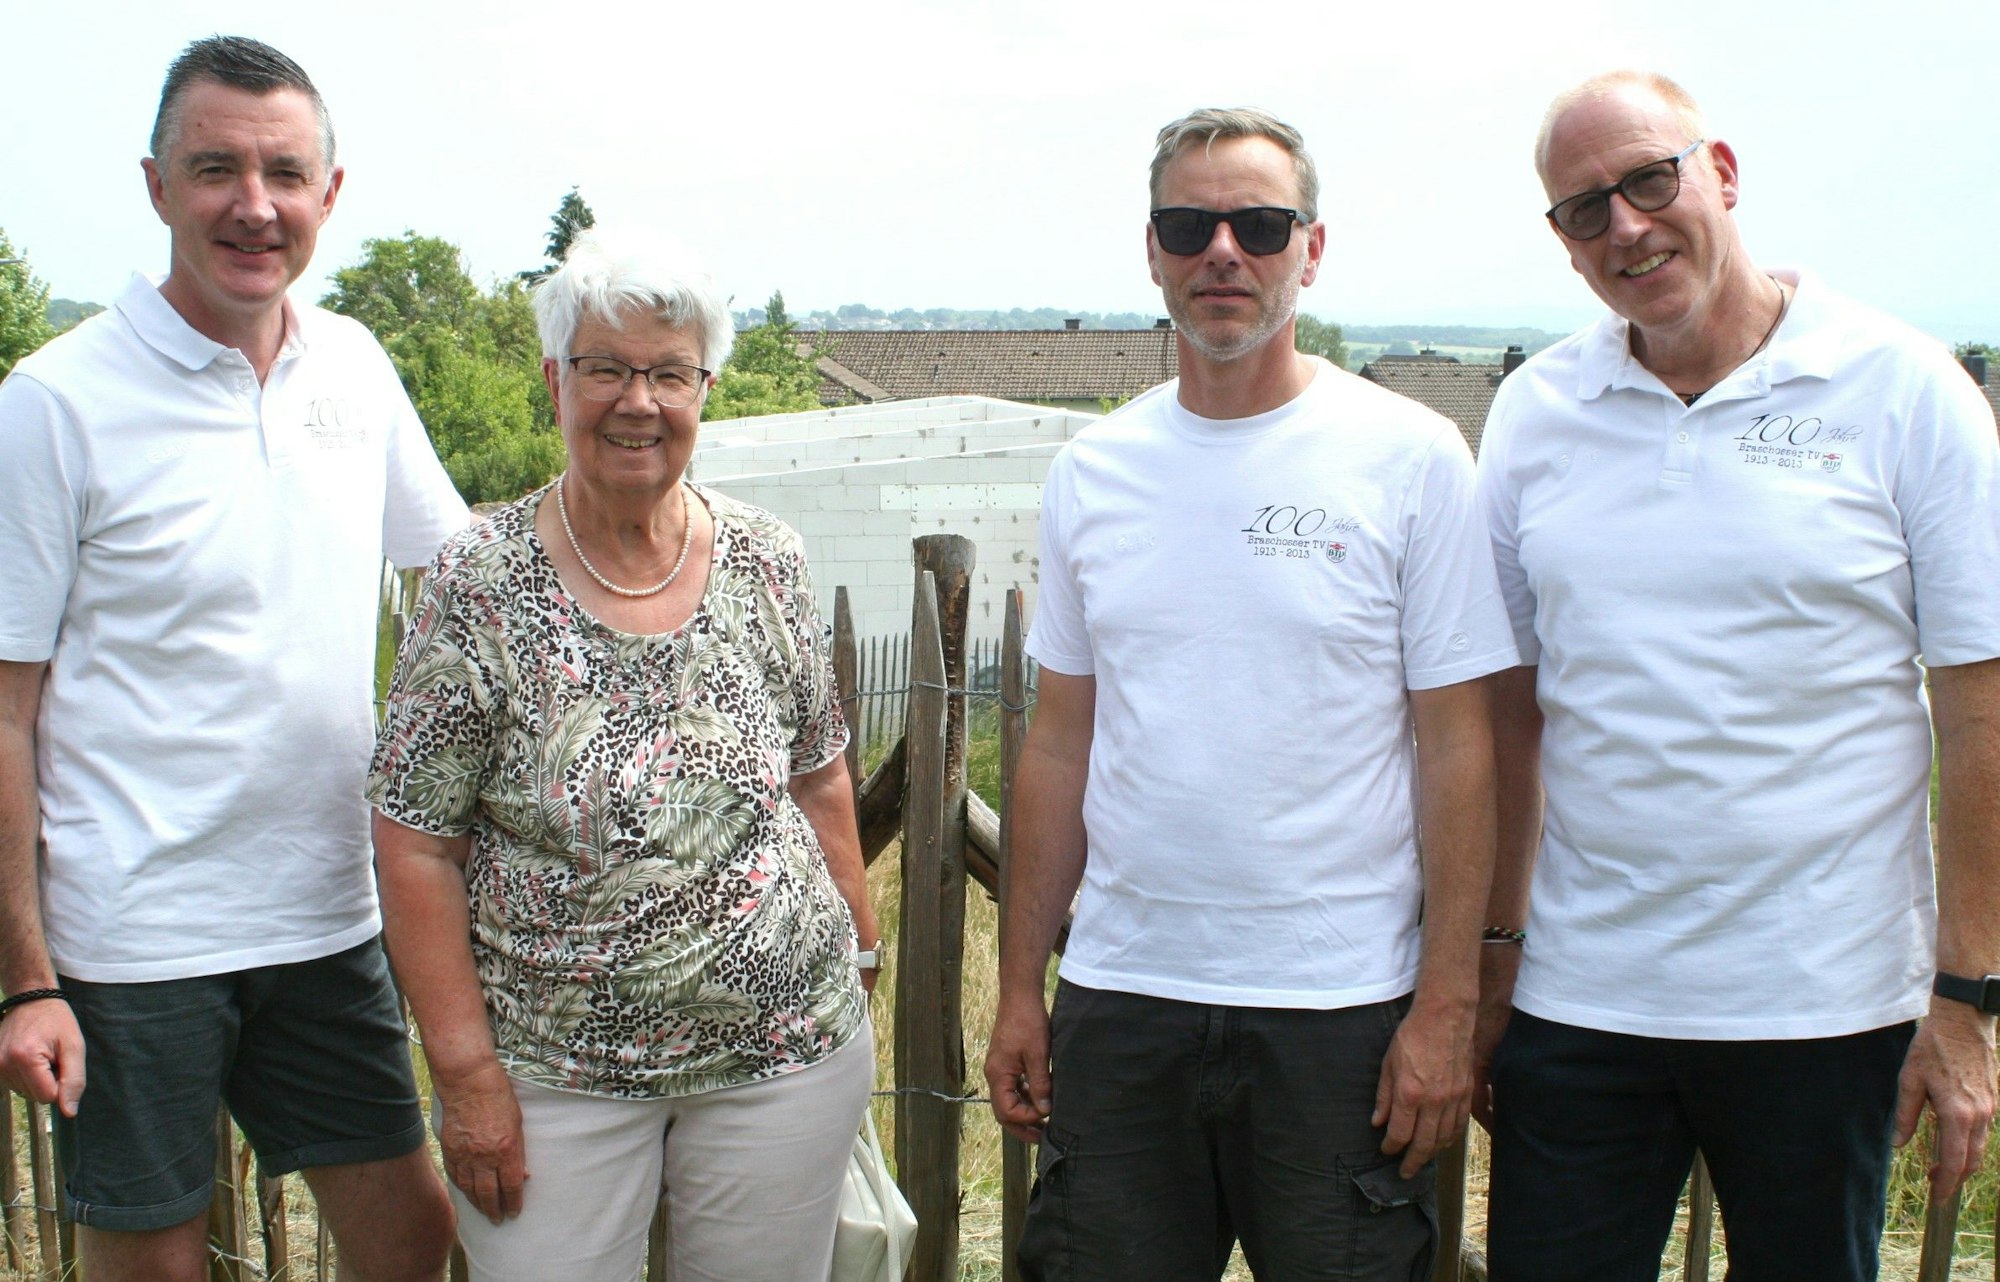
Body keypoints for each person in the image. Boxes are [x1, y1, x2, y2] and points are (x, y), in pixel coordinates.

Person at [1475, 70, 2000, 1282]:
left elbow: (1978, 711)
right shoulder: (1535, 410)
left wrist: (1963, 996)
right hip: (1581, 997)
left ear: (1719, 173)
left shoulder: (1901, 388)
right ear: (1562, 241)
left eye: (1648, 180)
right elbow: (1506, 719)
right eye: (1583, 209)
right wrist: (1487, 966)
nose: (1624, 226)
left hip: (1824, 1002)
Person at [982, 107, 1518, 1281]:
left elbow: (1456, 748)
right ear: (1152, 251)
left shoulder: (1410, 456)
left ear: (1309, 251)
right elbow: (1060, 744)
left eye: (1259, 225)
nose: (1222, 251)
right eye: (1189, 225)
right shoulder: (1093, 471)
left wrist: (1444, 1003)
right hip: (1123, 1000)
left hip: (1340, 1010)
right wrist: (1022, 988)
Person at [0, 34, 465, 1282]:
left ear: (330, 192)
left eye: (284, 173)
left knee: (409, 1237)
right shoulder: (54, 402)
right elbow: (5, 711)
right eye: (216, 169)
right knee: (151, 1262)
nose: (253, 206)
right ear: (157, 185)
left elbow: (461, 583)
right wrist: (26, 981)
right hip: (131, 936)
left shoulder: (354, 365)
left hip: (327, 912)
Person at [367, 229, 882, 1282]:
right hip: (551, 1075)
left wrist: (859, 952)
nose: (637, 402)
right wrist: (464, 1075)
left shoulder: (766, 558)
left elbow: (818, 770)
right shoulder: (480, 581)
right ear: (555, 379)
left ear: (704, 391)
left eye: (669, 374)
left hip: (783, 1058)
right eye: (605, 368)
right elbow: (415, 844)